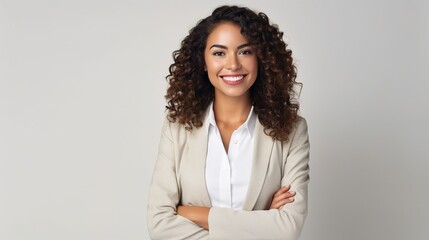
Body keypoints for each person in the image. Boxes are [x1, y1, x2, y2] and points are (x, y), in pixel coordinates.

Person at [147, 5, 310, 240]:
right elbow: (159, 225)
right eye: (219, 53)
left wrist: (192, 213)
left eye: (245, 52)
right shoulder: (177, 129)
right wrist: (261, 221)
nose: (233, 65)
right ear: (202, 61)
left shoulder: (292, 130)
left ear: (260, 59)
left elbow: (287, 228)